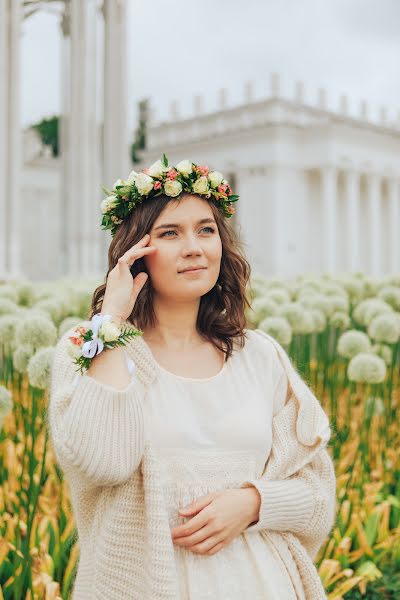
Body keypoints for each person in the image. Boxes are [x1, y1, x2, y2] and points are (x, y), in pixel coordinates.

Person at [48, 156, 337, 600]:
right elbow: (100, 462)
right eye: (169, 233)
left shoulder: (260, 356)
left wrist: (255, 503)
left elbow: (318, 497)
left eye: (206, 229)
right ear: (134, 250)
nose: (195, 247)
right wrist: (112, 322)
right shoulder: (87, 348)